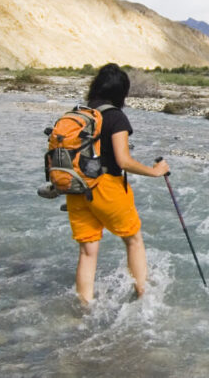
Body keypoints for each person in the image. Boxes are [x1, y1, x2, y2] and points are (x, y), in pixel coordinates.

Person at [65, 63, 169, 304]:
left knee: (87, 252)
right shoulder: (115, 117)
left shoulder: (79, 113)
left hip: (76, 188)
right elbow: (123, 161)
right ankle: (142, 294)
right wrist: (155, 172)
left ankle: (84, 307)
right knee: (133, 240)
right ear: (120, 92)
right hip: (106, 188)